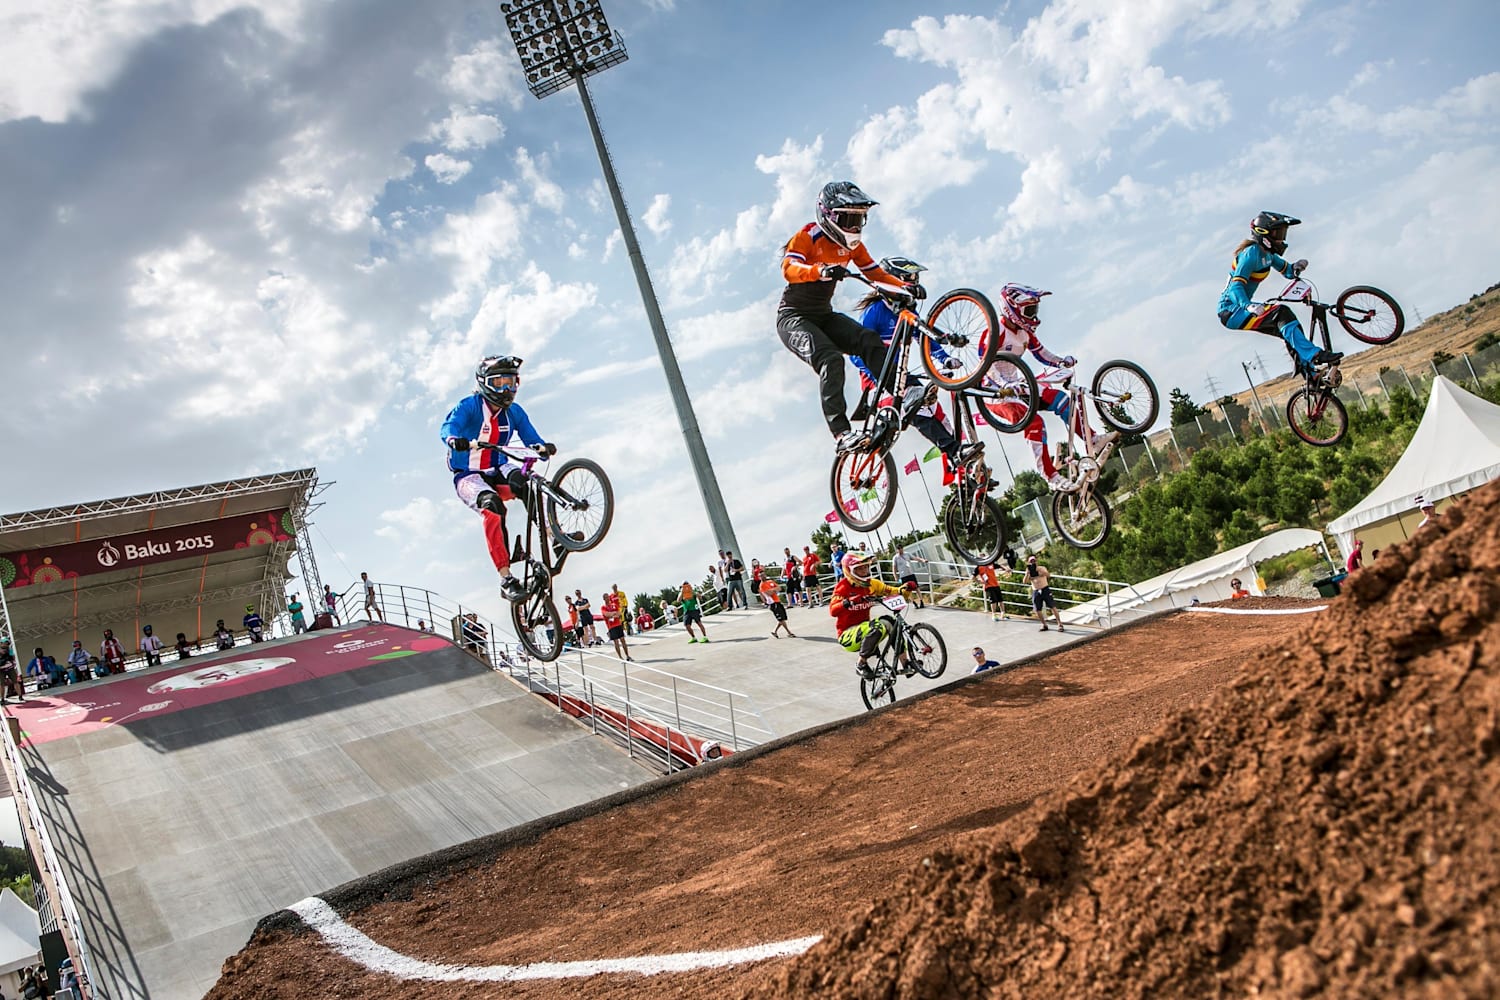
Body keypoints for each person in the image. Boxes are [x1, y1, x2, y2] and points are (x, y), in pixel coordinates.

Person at [778, 181, 930, 455]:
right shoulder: (808, 236)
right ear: (829, 216)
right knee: (830, 359)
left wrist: (905, 286)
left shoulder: (853, 247)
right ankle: (841, 434)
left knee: (867, 340)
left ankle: (905, 392)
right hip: (794, 318)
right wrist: (819, 271)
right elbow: (788, 268)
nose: (855, 226)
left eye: (860, 219)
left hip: (824, 316)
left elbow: (875, 273)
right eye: (849, 219)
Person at [441, 354, 562, 603]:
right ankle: (506, 578)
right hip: (468, 475)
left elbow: (531, 437)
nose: (506, 389)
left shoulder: (514, 412)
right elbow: (448, 428)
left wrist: (541, 447)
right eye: (499, 383)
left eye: (512, 382)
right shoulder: (469, 406)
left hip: (499, 467)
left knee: (526, 484)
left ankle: (554, 536)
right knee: (492, 506)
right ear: (484, 382)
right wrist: (455, 440)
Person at [979, 284, 1117, 491]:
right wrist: (1003, 385)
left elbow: (1041, 353)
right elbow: (984, 364)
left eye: (1035, 310)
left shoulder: (1024, 332)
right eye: (1029, 310)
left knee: (1060, 399)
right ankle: (1049, 475)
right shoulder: (996, 332)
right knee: (1035, 422)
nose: (1033, 316)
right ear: (1011, 308)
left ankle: (1092, 439)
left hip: (1017, 384)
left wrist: (1061, 362)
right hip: (995, 393)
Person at [852, 256, 983, 466]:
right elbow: (855, 352)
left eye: (916, 277)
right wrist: (876, 378)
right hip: (876, 378)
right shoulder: (875, 312)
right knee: (916, 409)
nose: (914, 281)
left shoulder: (905, 310)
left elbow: (923, 337)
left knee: (933, 410)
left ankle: (958, 457)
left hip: (900, 375)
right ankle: (953, 452)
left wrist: (945, 359)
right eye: (909, 277)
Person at [1217, 211, 1341, 377]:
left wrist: (1296, 267)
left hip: (1241, 308)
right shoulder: (1250, 253)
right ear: (1264, 234)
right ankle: (1315, 355)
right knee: (1281, 312)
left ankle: (1310, 375)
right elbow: (1235, 287)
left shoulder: (1267, 255)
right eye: (1278, 234)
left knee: (1289, 326)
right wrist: (1249, 305)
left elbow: (1287, 270)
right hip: (1232, 311)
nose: (1282, 239)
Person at [829, 552, 907, 678]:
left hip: (866, 630)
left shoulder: (872, 584)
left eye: (866, 567)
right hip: (847, 635)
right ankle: (860, 664)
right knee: (877, 626)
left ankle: (906, 663)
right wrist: (848, 602)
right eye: (859, 569)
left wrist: (904, 589)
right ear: (850, 571)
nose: (864, 571)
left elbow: (890, 590)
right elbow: (832, 610)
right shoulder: (842, 587)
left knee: (891, 621)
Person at [1023, 555, 1065, 632]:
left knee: (1052, 606)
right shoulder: (1028, 570)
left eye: (1034, 561)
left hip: (1045, 589)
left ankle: (1060, 624)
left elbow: (1048, 575)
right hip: (1036, 591)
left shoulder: (1041, 568)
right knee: (1037, 609)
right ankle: (1044, 624)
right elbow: (1024, 582)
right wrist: (1027, 573)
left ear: (1036, 561)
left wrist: (1040, 571)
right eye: (1031, 561)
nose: (1033, 563)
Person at [601, 590, 631, 661]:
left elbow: (619, 613)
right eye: (606, 597)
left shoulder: (614, 605)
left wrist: (613, 614)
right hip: (611, 626)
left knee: (623, 640)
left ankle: (627, 655)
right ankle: (620, 657)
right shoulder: (603, 607)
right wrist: (613, 614)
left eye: (608, 597)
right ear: (604, 599)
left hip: (618, 624)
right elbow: (606, 614)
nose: (607, 598)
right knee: (616, 642)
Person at [0, 639, 23, 704]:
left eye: (7, 643)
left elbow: (13, 658)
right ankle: (2, 699)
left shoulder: (9, 649)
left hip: (10, 668)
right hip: (1, 669)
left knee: (15, 682)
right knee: (2, 684)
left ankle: (20, 696)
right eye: (4, 643)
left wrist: (10, 660)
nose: (6, 645)